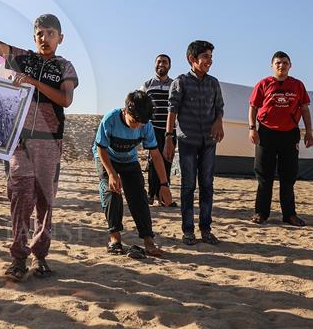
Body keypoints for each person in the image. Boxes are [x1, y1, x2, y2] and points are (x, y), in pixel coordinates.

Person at [0, 0, 78, 282]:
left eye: (50, 33)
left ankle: (40, 255)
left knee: (46, 201)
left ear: (60, 38)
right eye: (39, 34)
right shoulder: (22, 58)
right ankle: (18, 257)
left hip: (50, 143)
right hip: (20, 142)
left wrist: (33, 82)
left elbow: (65, 99)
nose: (44, 38)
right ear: (34, 38)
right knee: (21, 196)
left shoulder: (64, 66)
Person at [95, 91, 172, 258]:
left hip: (129, 159)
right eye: (134, 121)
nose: (137, 126)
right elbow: (101, 148)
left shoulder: (146, 125)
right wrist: (112, 173)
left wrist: (164, 184)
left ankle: (148, 241)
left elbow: (156, 155)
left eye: (141, 123)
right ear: (125, 111)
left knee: (139, 196)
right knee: (112, 193)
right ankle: (115, 239)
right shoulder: (110, 119)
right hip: (107, 157)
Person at [164, 40, 224, 246]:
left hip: (209, 142)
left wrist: (219, 122)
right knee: (188, 185)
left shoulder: (213, 83)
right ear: (192, 58)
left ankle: (206, 229)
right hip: (187, 141)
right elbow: (172, 111)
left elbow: (219, 107)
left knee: (207, 185)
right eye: (205, 56)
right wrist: (169, 138)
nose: (210, 61)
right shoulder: (180, 82)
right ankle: (188, 230)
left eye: (211, 57)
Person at [249, 51, 313, 227]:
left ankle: (289, 215)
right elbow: (253, 107)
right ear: (272, 65)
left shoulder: (298, 85)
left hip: (289, 134)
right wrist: (252, 129)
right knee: (264, 175)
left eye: (285, 63)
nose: (281, 65)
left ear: (290, 66)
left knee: (288, 176)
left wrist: (309, 132)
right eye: (278, 63)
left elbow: (305, 109)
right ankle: (261, 213)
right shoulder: (263, 84)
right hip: (266, 133)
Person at [141, 54, 176, 206]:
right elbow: (140, 105)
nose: (161, 64)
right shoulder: (147, 85)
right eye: (159, 62)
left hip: (170, 130)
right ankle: (151, 195)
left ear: (169, 65)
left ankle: (164, 198)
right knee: (153, 162)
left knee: (167, 161)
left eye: (165, 62)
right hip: (152, 129)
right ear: (154, 64)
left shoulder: (175, 84)